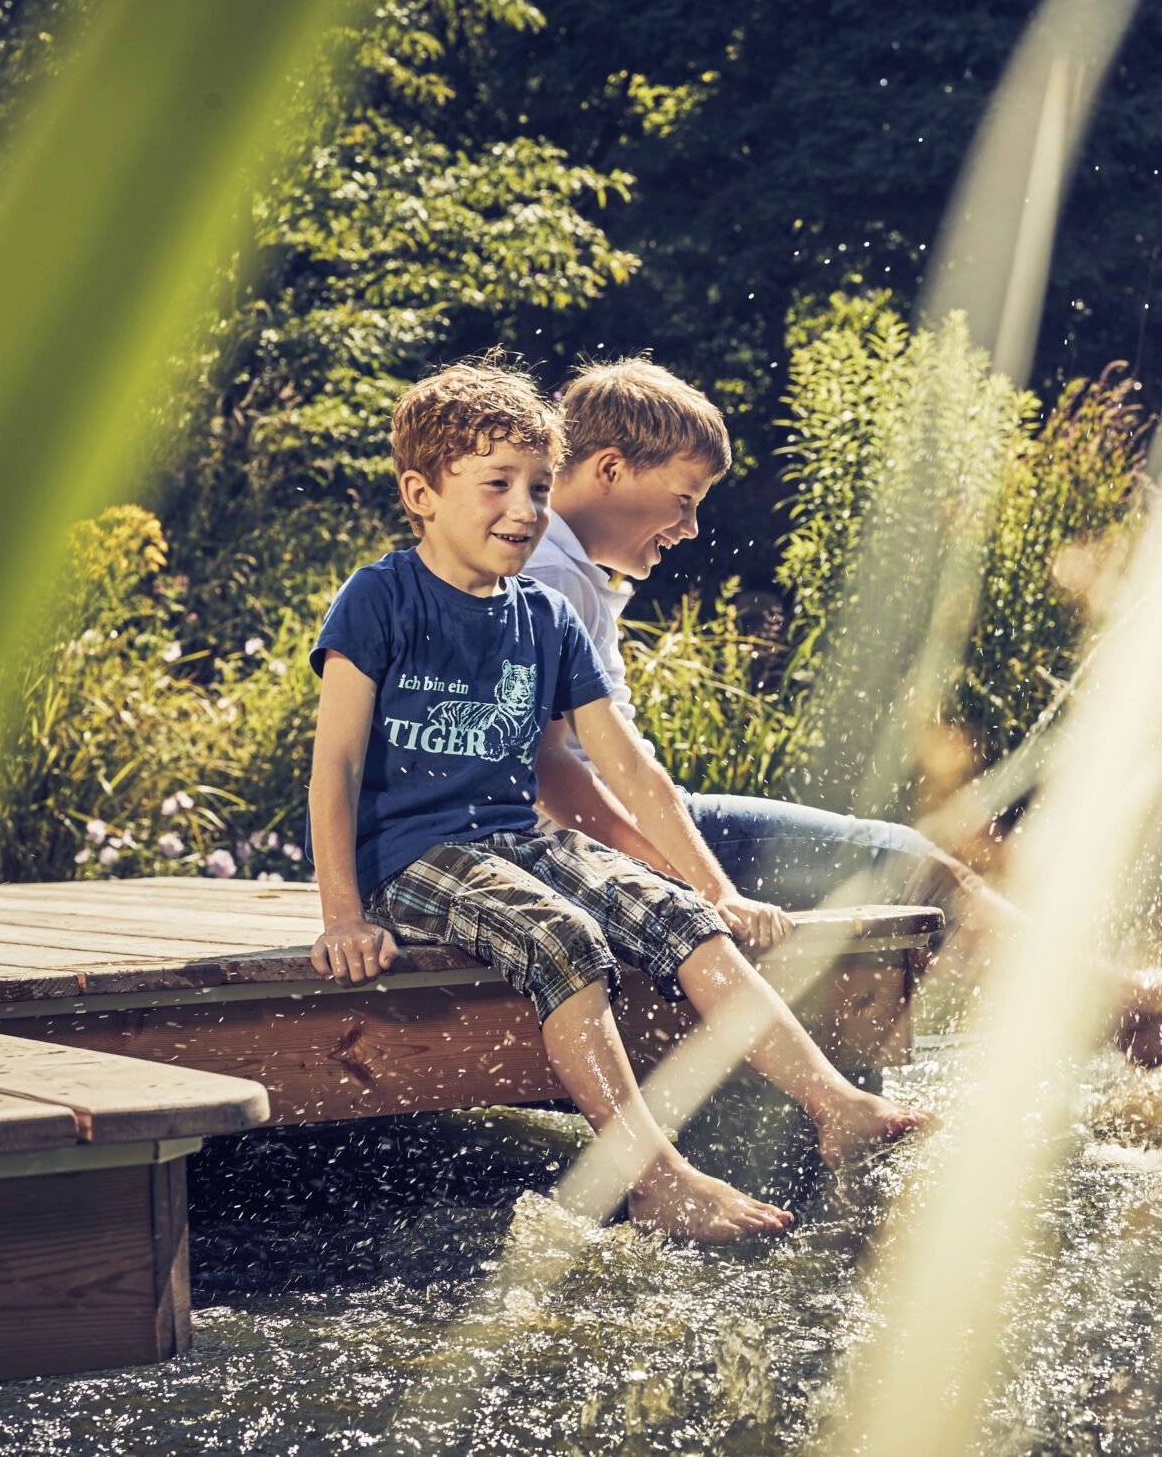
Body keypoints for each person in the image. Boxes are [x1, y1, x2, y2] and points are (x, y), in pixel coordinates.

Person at [305, 358, 927, 1243]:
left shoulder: (547, 617)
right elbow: (334, 765)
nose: (525, 509)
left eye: (537, 487)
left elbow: (629, 766)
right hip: (407, 858)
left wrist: (714, 888)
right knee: (567, 939)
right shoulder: (380, 599)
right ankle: (654, 1178)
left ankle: (836, 1103)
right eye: (497, 486)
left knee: (680, 917)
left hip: (513, 841)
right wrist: (341, 914)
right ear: (422, 492)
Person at [528, 358, 1162, 1068]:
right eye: (684, 499)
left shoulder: (564, 567)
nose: (689, 528)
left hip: (632, 825)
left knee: (904, 862)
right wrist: (692, 877)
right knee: (905, 865)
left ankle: (1121, 1009)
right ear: (611, 469)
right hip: (602, 847)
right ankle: (1128, 1012)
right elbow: (553, 775)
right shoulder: (550, 575)